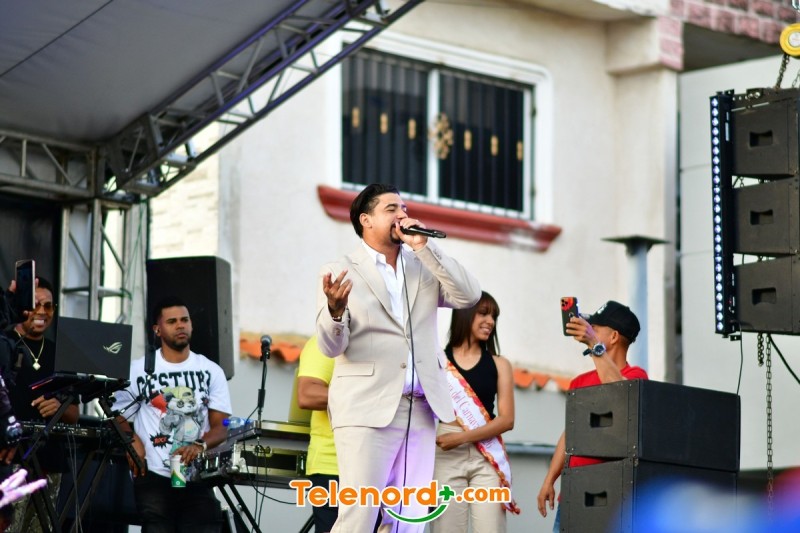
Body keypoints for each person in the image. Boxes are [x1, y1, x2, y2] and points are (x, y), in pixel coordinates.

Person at [316, 183, 481, 532]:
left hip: (420, 408)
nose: (402, 214)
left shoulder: (422, 263)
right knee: (359, 516)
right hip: (366, 408)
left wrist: (425, 246)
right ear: (366, 220)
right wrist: (335, 311)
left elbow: (468, 296)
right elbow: (331, 347)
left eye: (404, 208)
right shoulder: (341, 269)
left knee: (410, 518)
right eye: (391, 208)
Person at [116, 296, 231, 532]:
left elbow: (222, 426)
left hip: (197, 475)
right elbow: (115, 414)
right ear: (157, 329)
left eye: (184, 320)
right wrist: (131, 439)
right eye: (172, 321)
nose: (180, 325)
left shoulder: (211, 370)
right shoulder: (138, 370)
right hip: (154, 474)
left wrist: (199, 445)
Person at [536, 300, 648, 532]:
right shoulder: (580, 381)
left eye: (595, 328)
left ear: (614, 336)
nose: (589, 331)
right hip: (574, 492)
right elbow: (570, 434)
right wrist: (549, 480)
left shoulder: (636, 376)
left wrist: (594, 345)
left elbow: (620, 393)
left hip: (611, 495)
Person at [430, 291, 518, 533]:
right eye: (483, 314)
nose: (490, 321)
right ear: (465, 314)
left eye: (494, 316)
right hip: (445, 456)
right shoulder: (438, 361)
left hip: (485, 456)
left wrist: (461, 438)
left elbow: (507, 420)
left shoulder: (500, 364)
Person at [5, 276, 78, 533]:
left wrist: (59, 406)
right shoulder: (4, 343)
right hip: (9, 460)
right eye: (35, 304)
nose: (42, 312)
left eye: (48, 306)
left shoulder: (61, 353)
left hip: (49, 462)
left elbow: (74, 414)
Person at [296, 336, 339, 533]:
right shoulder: (326, 342)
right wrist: (368, 396)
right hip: (334, 468)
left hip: (384, 468)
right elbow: (307, 395)